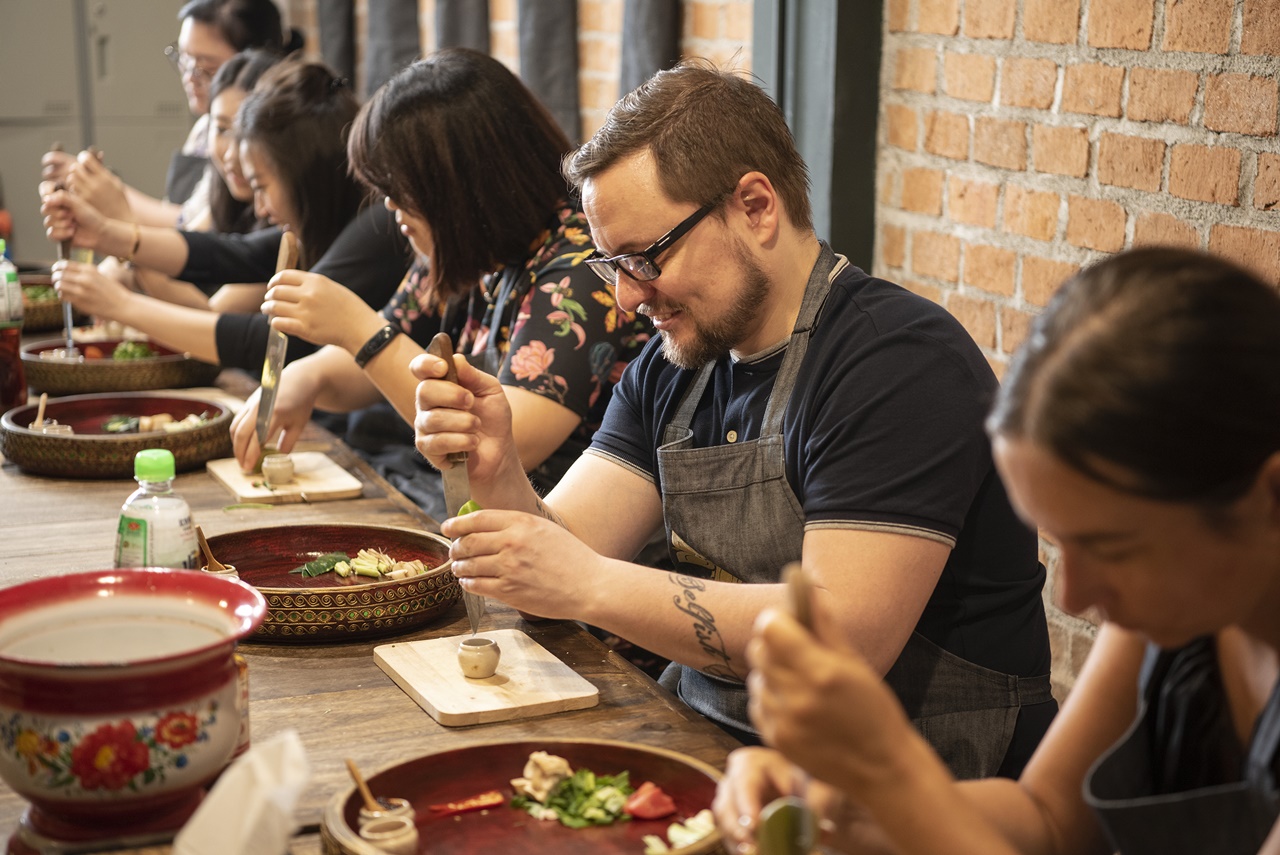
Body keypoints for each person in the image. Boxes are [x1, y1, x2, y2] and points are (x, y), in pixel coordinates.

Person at [410, 60, 1055, 772]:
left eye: (644, 257)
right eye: (610, 266)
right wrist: (500, 472)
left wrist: (591, 582)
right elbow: (558, 556)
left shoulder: (896, 361)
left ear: (755, 206)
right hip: (716, 748)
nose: (627, 298)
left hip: (916, 787)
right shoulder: (674, 365)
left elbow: (841, 638)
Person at [715, 246, 1280, 855]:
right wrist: (844, 807)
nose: (1074, 595)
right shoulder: (1177, 606)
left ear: (1269, 496)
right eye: (1062, 544)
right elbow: (1047, 817)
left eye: (1113, 547)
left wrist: (892, 769)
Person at [227, 48, 652, 522]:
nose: (389, 206)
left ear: (460, 189)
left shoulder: (578, 265)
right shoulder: (467, 251)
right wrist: (305, 378)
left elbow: (514, 441)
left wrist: (359, 331)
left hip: (558, 528)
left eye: (399, 189)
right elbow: (371, 368)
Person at [42, 58, 407, 376]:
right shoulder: (326, 219)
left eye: (262, 186)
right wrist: (106, 234)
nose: (260, 208)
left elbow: (271, 342)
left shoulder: (375, 227)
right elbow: (230, 253)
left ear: (304, 177)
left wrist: (119, 304)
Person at [42, 0, 300, 228]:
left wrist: (112, 202)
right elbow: (194, 232)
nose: (189, 77)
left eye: (206, 67)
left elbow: (186, 231)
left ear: (252, 65)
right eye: (185, 60)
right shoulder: (205, 129)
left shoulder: (272, 144)